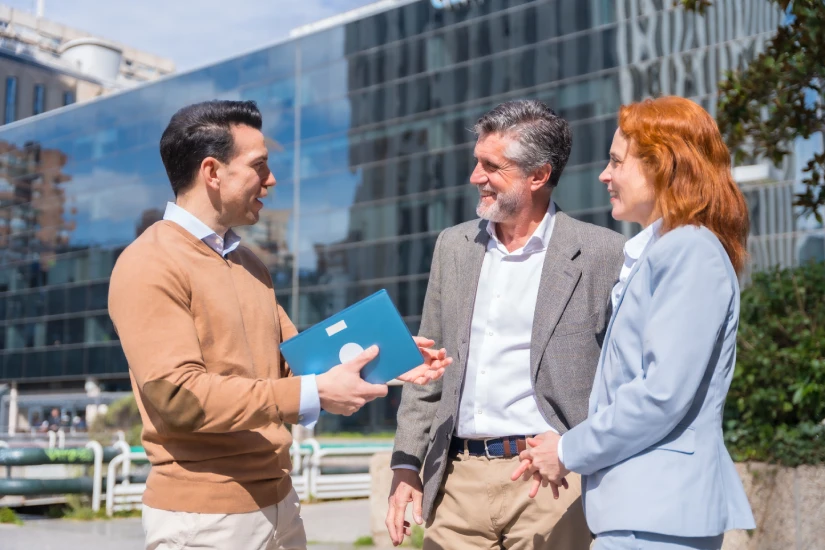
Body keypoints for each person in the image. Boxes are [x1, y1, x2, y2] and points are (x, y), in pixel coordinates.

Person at [108, 100, 450, 550]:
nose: (271, 181)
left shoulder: (249, 263)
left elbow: (296, 365)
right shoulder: (149, 263)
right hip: (203, 521)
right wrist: (313, 392)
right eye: (259, 166)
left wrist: (387, 358)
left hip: (279, 508)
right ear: (212, 172)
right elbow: (178, 396)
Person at [512, 96, 756, 549]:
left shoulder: (688, 250)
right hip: (646, 513)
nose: (605, 175)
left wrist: (568, 450)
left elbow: (661, 394)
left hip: (657, 516)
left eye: (617, 162)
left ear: (663, 165)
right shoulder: (668, 250)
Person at [387, 99, 625, 549]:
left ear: (538, 175)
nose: (475, 177)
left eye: (490, 166)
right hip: (457, 481)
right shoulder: (453, 246)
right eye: (477, 162)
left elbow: (622, 379)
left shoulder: (603, 254)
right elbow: (427, 370)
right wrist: (405, 465)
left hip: (553, 483)